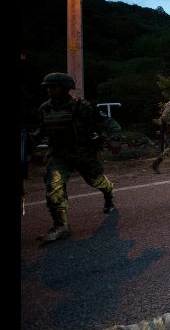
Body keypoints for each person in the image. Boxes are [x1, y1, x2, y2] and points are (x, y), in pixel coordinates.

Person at [31, 72, 122, 243]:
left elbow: (108, 122)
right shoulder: (46, 109)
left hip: (83, 153)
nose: (50, 90)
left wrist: (115, 139)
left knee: (96, 181)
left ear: (65, 89)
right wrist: (30, 146)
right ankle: (61, 226)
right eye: (48, 87)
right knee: (54, 186)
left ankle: (108, 193)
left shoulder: (82, 107)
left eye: (54, 87)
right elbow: (41, 131)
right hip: (58, 155)